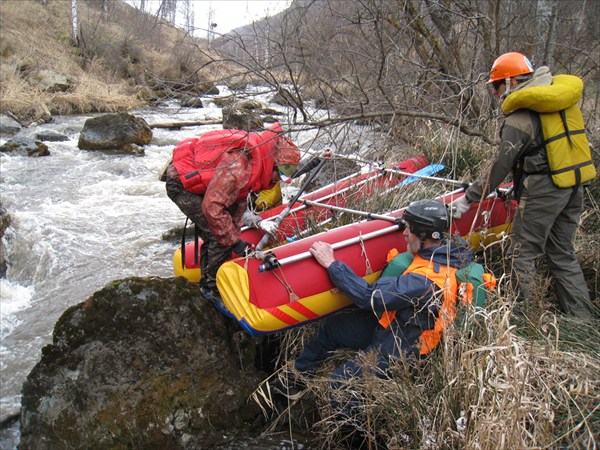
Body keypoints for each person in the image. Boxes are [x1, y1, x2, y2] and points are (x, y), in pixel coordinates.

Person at [288, 199, 475, 446]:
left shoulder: (424, 281)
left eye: (409, 229)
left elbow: (369, 297)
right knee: (333, 328)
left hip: (403, 347)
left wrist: (332, 264)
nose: (404, 233)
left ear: (424, 235)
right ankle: (294, 383)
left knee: (340, 385)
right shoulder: (444, 251)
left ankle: (357, 440)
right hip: (395, 324)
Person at [450, 52, 596, 319]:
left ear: (512, 82)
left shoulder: (520, 119)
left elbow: (499, 168)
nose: (494, 93)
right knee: (563, 254)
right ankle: (582, 318)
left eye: (496, 85)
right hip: (574, 187)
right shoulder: (560, 102)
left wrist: (468, 198)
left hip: (544, 191)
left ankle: (526, 318)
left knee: (521, 253)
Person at [165, 123, 300, 309]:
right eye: (281, 174)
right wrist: (234, 241)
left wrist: (234, 233)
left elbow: (238, 204)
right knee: (218, 234)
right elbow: (212, 208)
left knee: (223, 233)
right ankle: (212, 289)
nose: (279, 180)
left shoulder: (259, 163)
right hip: (180, 183)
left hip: (211, 183)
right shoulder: (238, 166)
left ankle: (206, 279)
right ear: (273, 163)